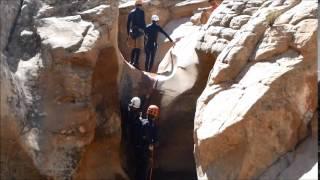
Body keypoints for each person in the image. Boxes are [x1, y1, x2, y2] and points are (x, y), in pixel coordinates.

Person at [135, 105, 159, 180]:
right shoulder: (148, 124)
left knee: (141, 169)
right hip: (144, 150)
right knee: (144, 169)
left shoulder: (143, 121)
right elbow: (146, 137)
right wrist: (151, 144)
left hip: (140, 149)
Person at [127, 0, 146, 69]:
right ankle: (136, 63)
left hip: (132, 32)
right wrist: (145, 32)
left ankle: (131, 61)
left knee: (134, 47)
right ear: (140, 5)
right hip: (139, 32)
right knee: (138, 48)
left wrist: (128, 33)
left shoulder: (131, 12)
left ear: (135, 5)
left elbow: (128, 24)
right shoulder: (142, 12)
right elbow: (143, 23)